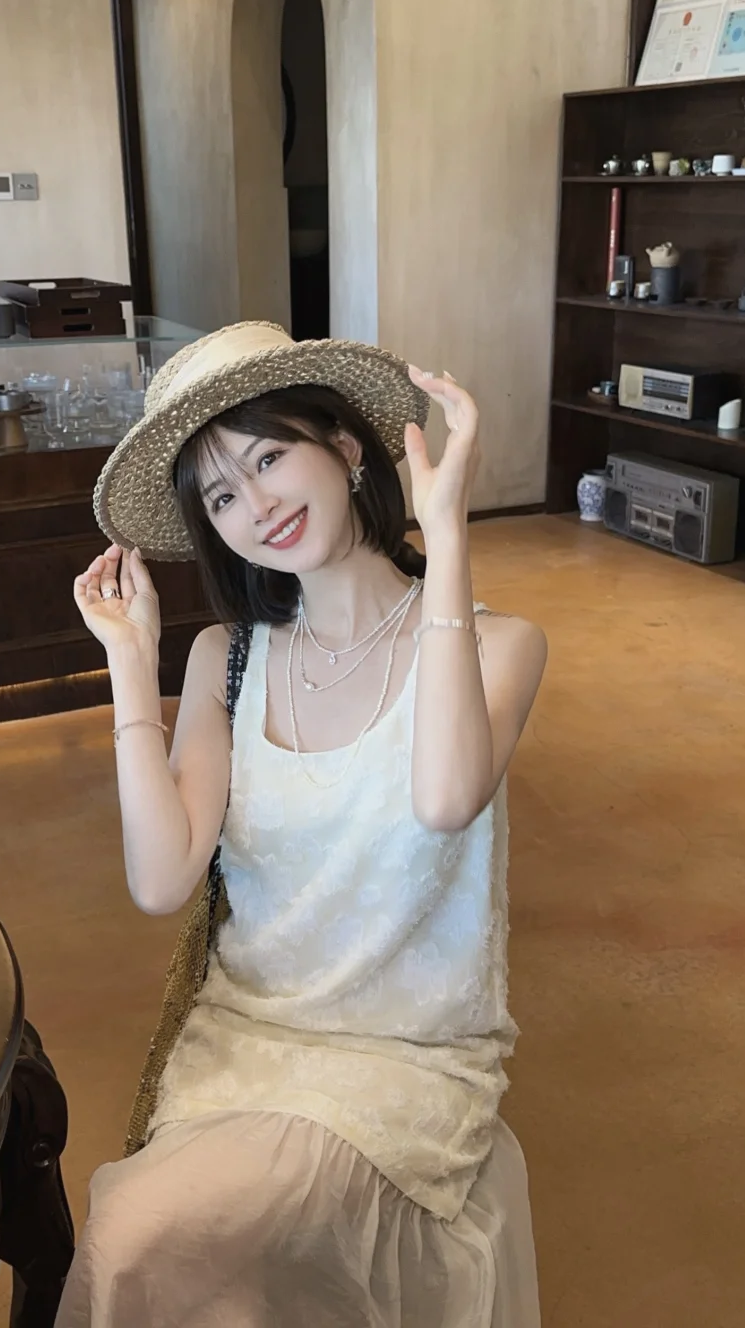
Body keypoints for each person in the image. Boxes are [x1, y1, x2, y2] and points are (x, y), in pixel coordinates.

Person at [59, 322, 548, 1328]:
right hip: (244, 1040)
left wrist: (448, 538)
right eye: (221, 496)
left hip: (405, 1055)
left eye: (269, 457)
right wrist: (130, 664)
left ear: (346, 445)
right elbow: (162, 880)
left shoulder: (501, 645)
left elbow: (445, 798)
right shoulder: (226, 658)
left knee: (137, 1236)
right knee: (145, 1241)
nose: (256, 506)